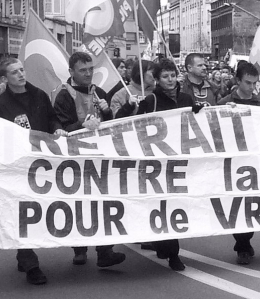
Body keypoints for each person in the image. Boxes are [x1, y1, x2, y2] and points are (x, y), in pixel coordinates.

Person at [0, 58, 68, 285]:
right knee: (25, 212)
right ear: (4, 79)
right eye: (14, 72)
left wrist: (57, 128)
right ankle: (30, 262)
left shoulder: (40, 95)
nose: (21, 75)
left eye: (22, 70)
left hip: (45, 164)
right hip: (18, 167)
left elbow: (52, 118)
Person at [53, 52, 126, 269]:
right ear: (71, 72)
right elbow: (61, 128)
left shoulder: (99, 92)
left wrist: (107, 113)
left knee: (102, 204)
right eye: (83, 70)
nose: (88, 74)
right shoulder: (63, 95)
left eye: (90, 69)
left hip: (99, 156)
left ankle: (105, 251)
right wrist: (81, 126)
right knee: (78, 204)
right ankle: (79, 249)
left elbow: (110, 125)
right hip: (75, 160)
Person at [131, 58, 194, 271]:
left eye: (173, 76)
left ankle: (165, 245)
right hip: (157, 162)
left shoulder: (186, 98)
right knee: (161, 204)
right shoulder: (151, 101)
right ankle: (172, 253)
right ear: (157, 79)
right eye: (165, 77)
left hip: (181, 160)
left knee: (175, 204)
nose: (170, 80)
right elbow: (133, 125)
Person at [218, 61, 260, 265]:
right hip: (233, 162)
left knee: (252, 205)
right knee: (237, 205)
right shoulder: (224, 103)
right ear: (238, 81)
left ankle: (245, 242)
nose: (252, 87)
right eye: (248, 83)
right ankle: (243, 244)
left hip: (254, 162)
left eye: (255, 83)